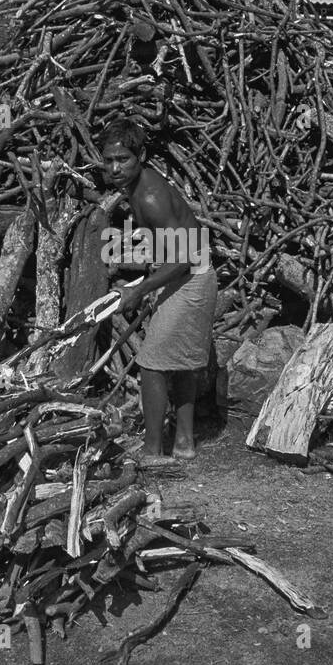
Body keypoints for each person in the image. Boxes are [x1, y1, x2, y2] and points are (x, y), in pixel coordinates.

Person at [100, 118, 216, 460]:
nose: (115, 168)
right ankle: (183, 443)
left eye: (123, 159)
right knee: (176, 361)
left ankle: (152, 453)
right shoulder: (136, 189)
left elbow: (183, 259)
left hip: (192, 278)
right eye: (109, 160)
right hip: (181, 275)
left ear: (142, 156)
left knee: (151, 363)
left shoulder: (150, 197)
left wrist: (140, 289)